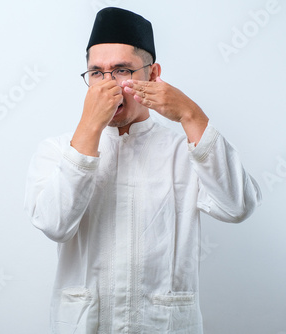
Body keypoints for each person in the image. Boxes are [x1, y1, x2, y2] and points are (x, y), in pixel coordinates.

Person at [24, 7, 262, 333]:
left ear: (152, 74)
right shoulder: (56, 151)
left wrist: (192, 116)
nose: (108, 84)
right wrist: (88, 128)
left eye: (122, 70)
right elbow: (55, 224)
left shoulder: (184, 152)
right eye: (96, 72)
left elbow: (239, 206)